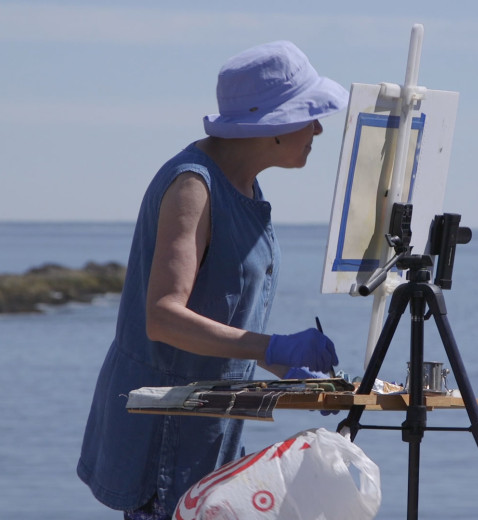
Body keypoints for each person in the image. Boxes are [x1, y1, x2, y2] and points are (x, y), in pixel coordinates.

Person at [77, 41, 349, 519]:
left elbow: (219, 311)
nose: (319, 129)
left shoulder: (242, 184)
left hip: (208, 422)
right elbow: (164, 318)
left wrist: (286, 375)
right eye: (309, 115)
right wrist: (274, 347)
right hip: (165, 430)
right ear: (275, 123)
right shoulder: (193, 185)